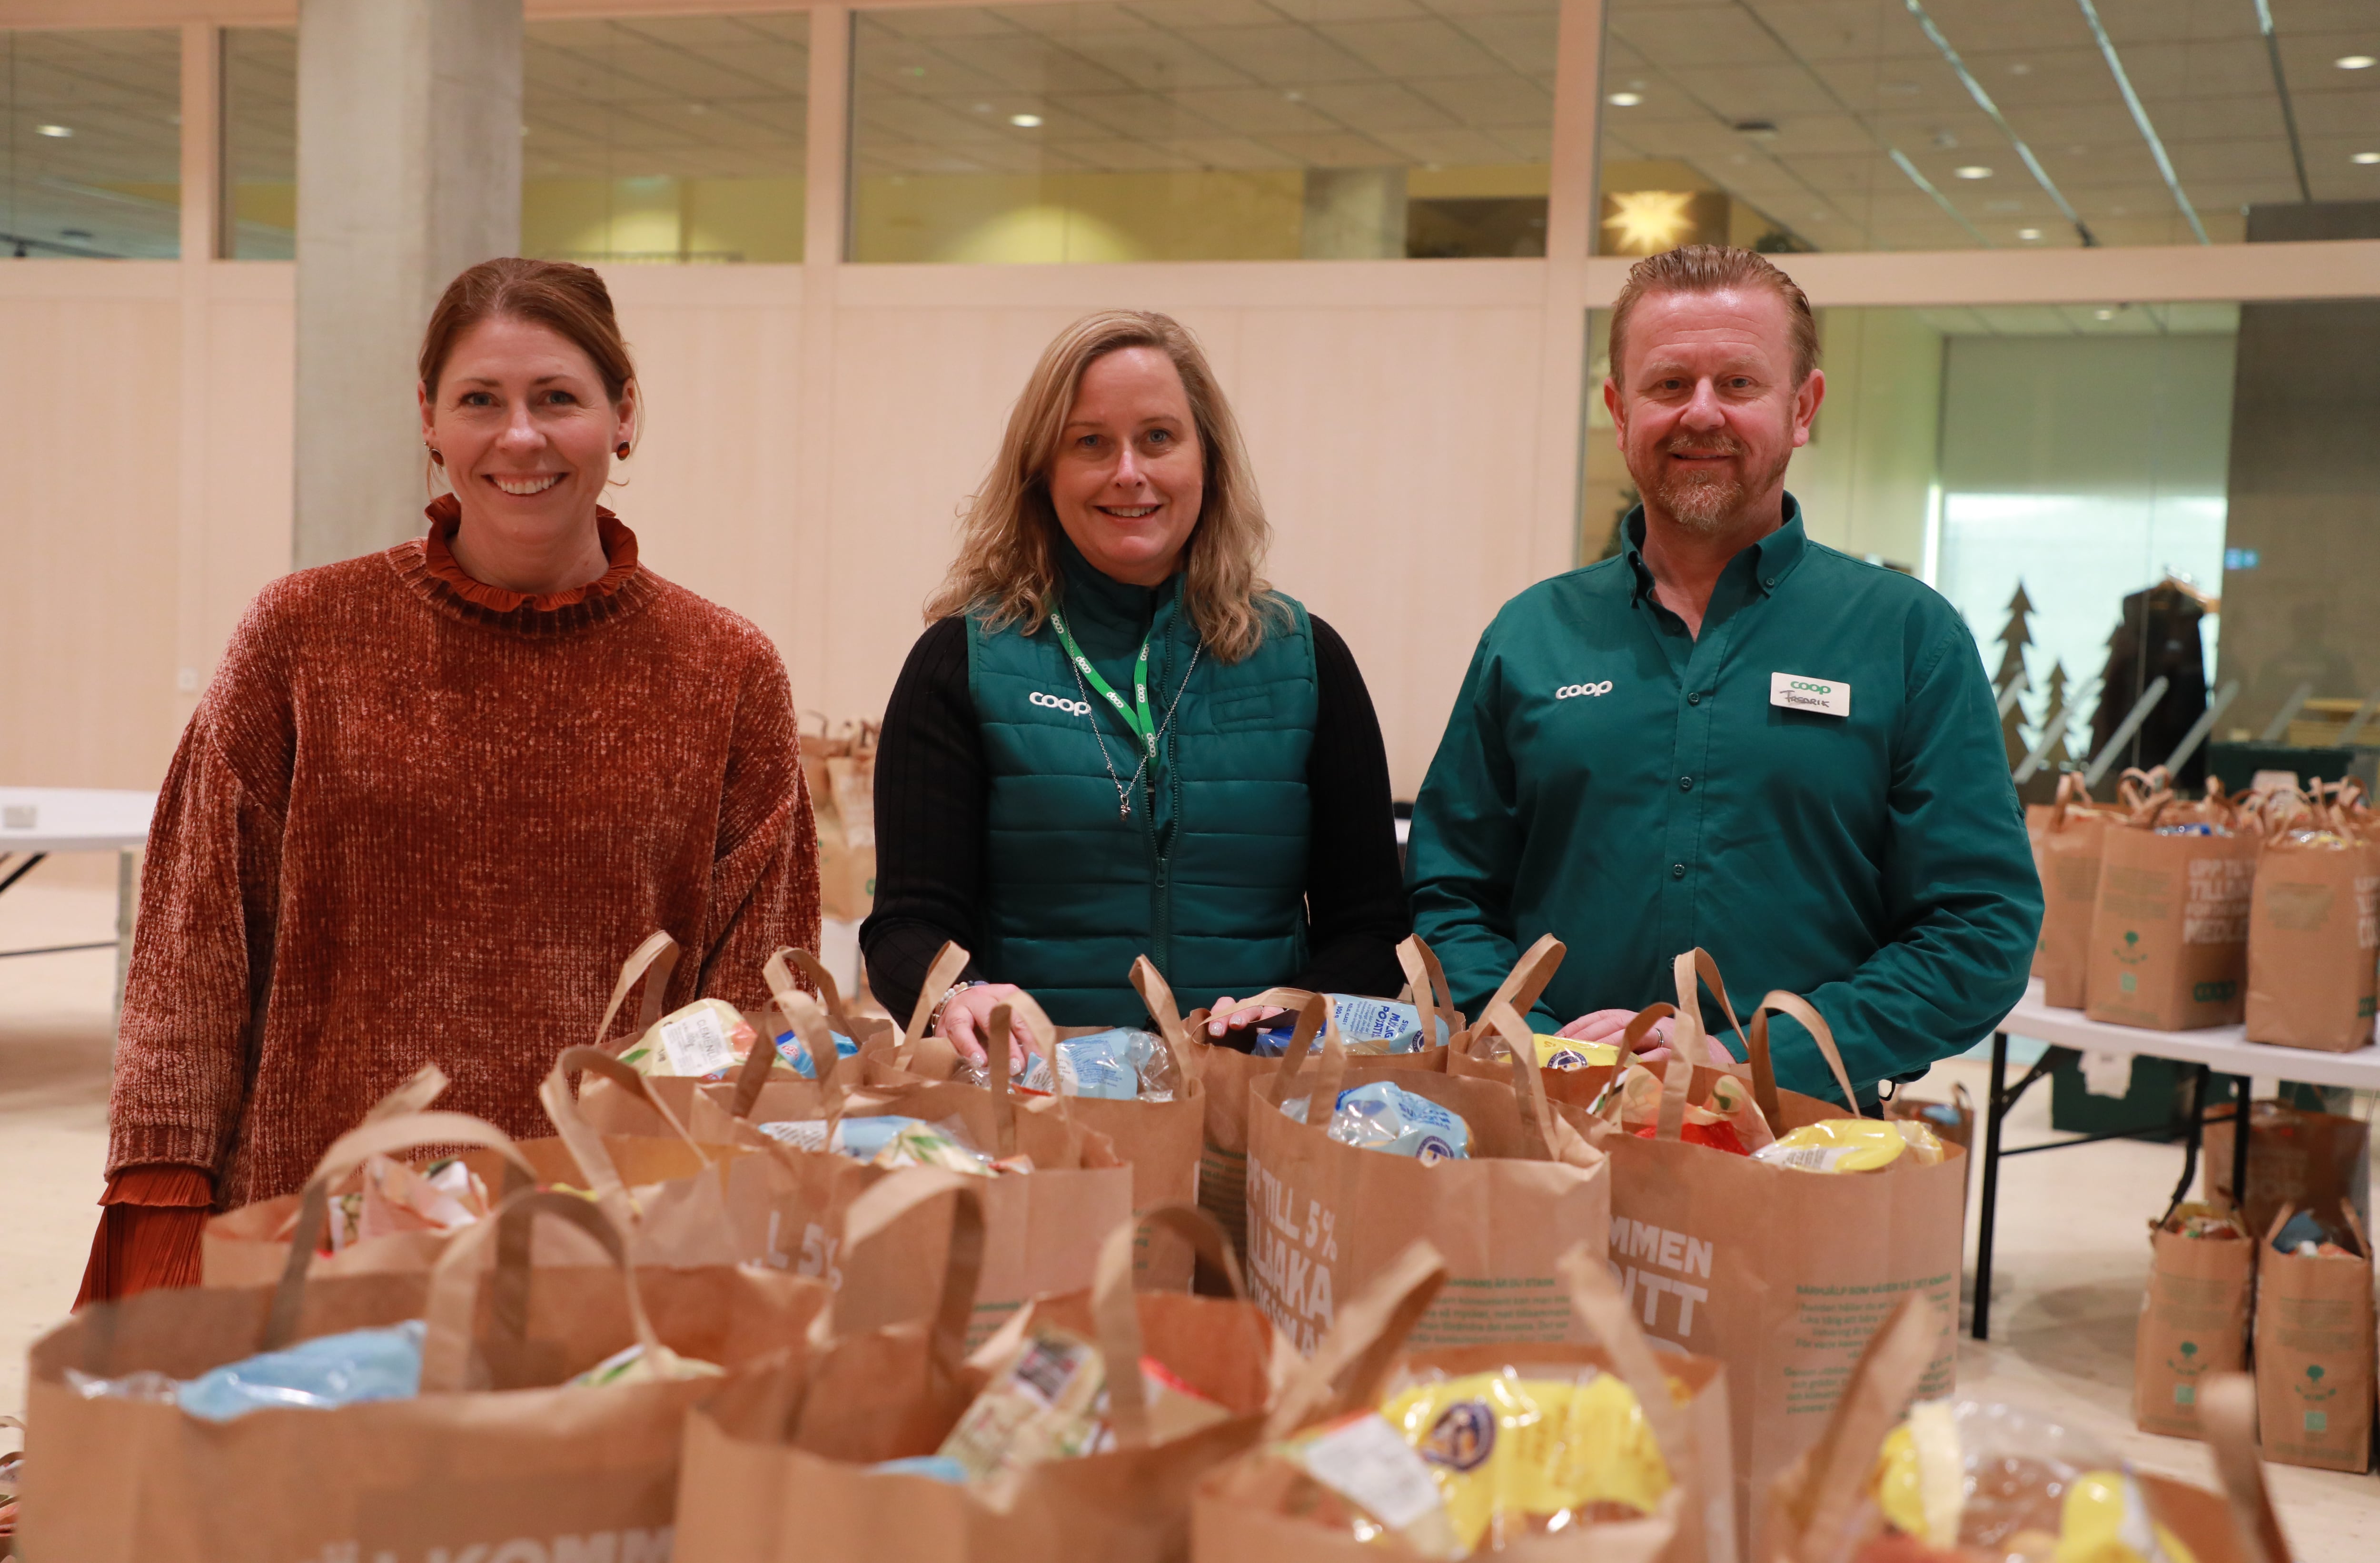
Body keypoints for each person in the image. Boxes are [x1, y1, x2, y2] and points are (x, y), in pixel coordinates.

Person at [79, 257, 817, 1305]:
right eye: (481, 400)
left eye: (557, 398)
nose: (520, 437)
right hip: (314, 1234)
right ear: (430, 419)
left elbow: (752, 997)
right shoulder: (301, 635)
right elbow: (192, 940)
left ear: (623, 417)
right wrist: (166, 1198)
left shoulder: (726, 670)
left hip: (597, 1254)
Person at [1408, 245, 2040, 1101]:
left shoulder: (1906, 637)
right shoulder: (1531, 637)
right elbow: (1450, 894)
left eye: (1739, 383)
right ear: (1618, 407)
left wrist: (1766, 1057)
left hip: (1801, 1145)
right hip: (1545, 1129)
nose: (1700, 413)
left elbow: (1979, 928)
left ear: (1803, 406)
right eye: (1669, 385)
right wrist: (1546, 1044)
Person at [862, 309, 1407, 1058]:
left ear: (1205, 459)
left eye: (1158, 437)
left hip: (1253, 1101)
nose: (1129, 472)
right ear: (1042, 471)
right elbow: (904, 926)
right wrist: (962, 997)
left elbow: (1373, 929)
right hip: (1034, 1104)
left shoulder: (1308, 658)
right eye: (1090, 442)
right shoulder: (961, 660)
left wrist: (1288, 1013)